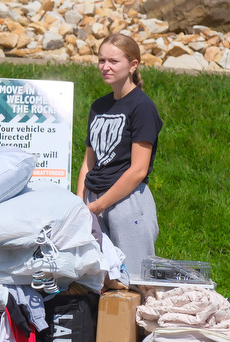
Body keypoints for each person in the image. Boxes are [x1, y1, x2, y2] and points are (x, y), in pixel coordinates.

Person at [76, 33, 163, 280]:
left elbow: (138, 170)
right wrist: (80, 201)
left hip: (127, 203)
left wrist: (98, 206)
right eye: (102, 60)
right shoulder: (98, 106)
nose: (105, 67)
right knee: (96, 280)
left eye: (113, 61)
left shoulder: (142, 107)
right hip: (93, 200)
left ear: (133, 65)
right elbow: (88, 162)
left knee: (134, 281)